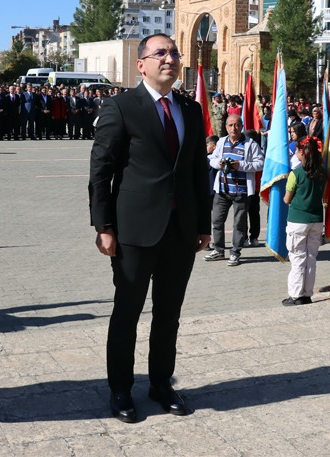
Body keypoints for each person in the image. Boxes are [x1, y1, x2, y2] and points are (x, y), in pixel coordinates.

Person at [89, 34, 211, 424]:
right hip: (134, 231)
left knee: (169, 313)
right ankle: (121, 389)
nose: (170, 58)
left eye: (174, 52)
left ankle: (161, 383)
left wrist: (204, 224)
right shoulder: (122, 107)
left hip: (180, 230)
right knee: (127, 312)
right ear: (140, 64)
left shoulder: (189, 111)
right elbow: (101, 171)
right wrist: (103, 225)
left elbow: (197, 172)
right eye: (160, 53)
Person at [204, 114, 264, 267]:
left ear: (241, 126)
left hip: (241, 191)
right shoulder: (222, 142)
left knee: (239, 223)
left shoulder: (250, 144)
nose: (233, 128)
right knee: (217, 220)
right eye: (230, 125)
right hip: (222, 190)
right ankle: (218, 249)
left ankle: (235, 252)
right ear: (226, 127)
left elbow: (260, 163)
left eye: (236, 125)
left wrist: (241, 165)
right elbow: (212, 159)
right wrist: (220, 162)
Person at [282, 136, 326, 306]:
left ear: (301, 152)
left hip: (298, 220)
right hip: (316, 220)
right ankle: (307, 293)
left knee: (297, 258)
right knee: (311, 258)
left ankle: (295, 295)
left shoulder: (296, 173)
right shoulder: (322, 172)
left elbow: (287, 199)